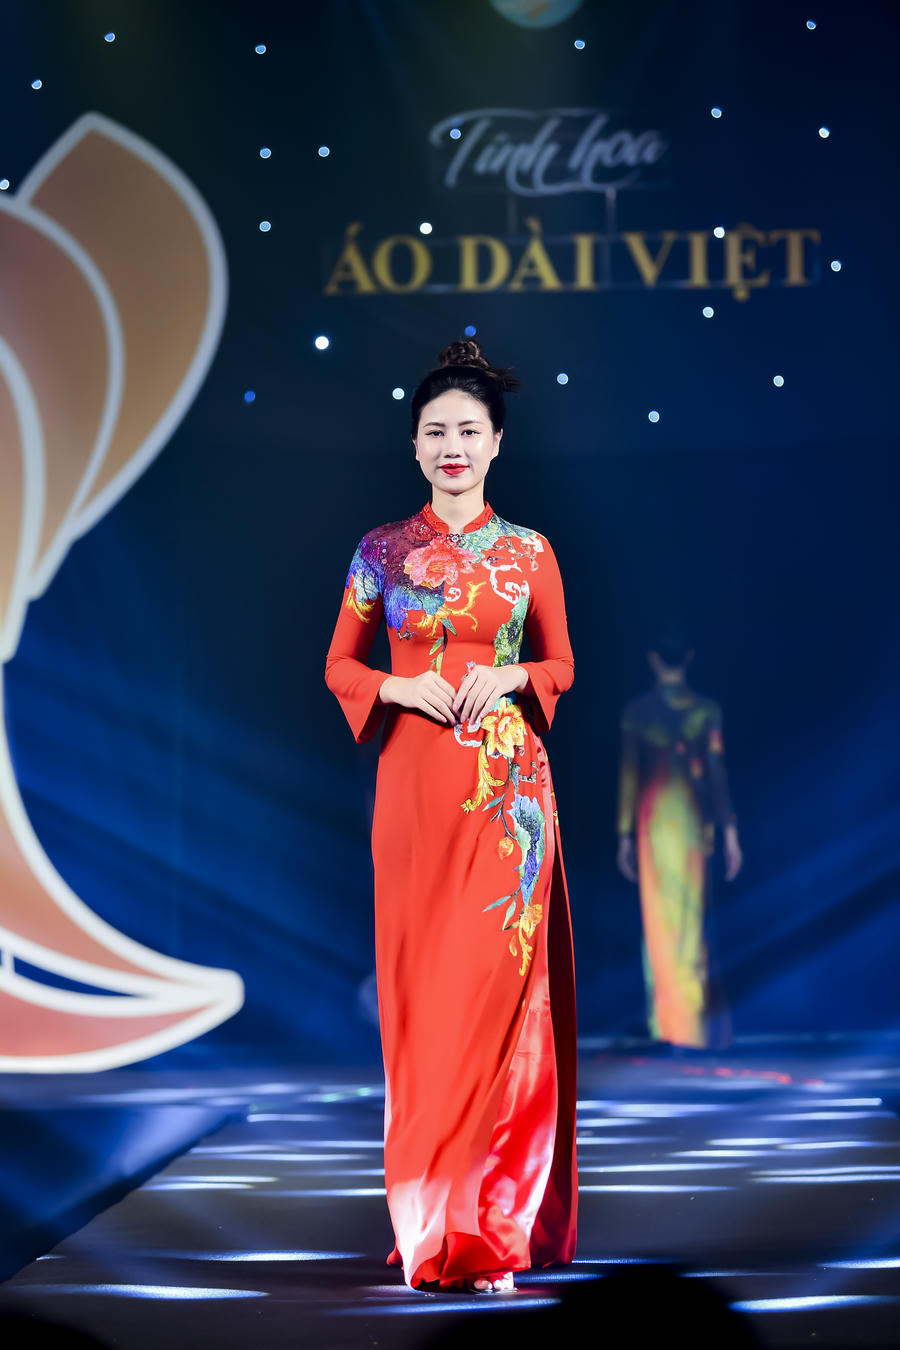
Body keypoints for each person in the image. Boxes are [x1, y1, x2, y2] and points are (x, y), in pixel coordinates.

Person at [325, 339, 577, 1293]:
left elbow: (559, 665)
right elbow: (339, 664)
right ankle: (429, 1222)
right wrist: (398, 687)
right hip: (414, 794)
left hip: (508, 797)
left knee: (495, 1010)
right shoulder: (380, 551)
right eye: (436, 432)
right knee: (422, 1010)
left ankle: (491, 1230)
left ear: (498, 442)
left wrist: (510, 676)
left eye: (470, 430)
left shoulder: (530, 553)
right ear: (415, 445)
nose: (453, 447)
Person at [616, 637, 742, 1051]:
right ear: (689, 655)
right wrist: (729, 831)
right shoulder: (706, 710)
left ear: (652, 657)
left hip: (654, 819)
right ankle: (695, 1025)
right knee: (692, 920)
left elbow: (630, 776)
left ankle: (668, 1025)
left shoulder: (637, 712)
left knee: (659, 921)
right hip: (691, 816)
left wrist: (624, 834)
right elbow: (716, 773)